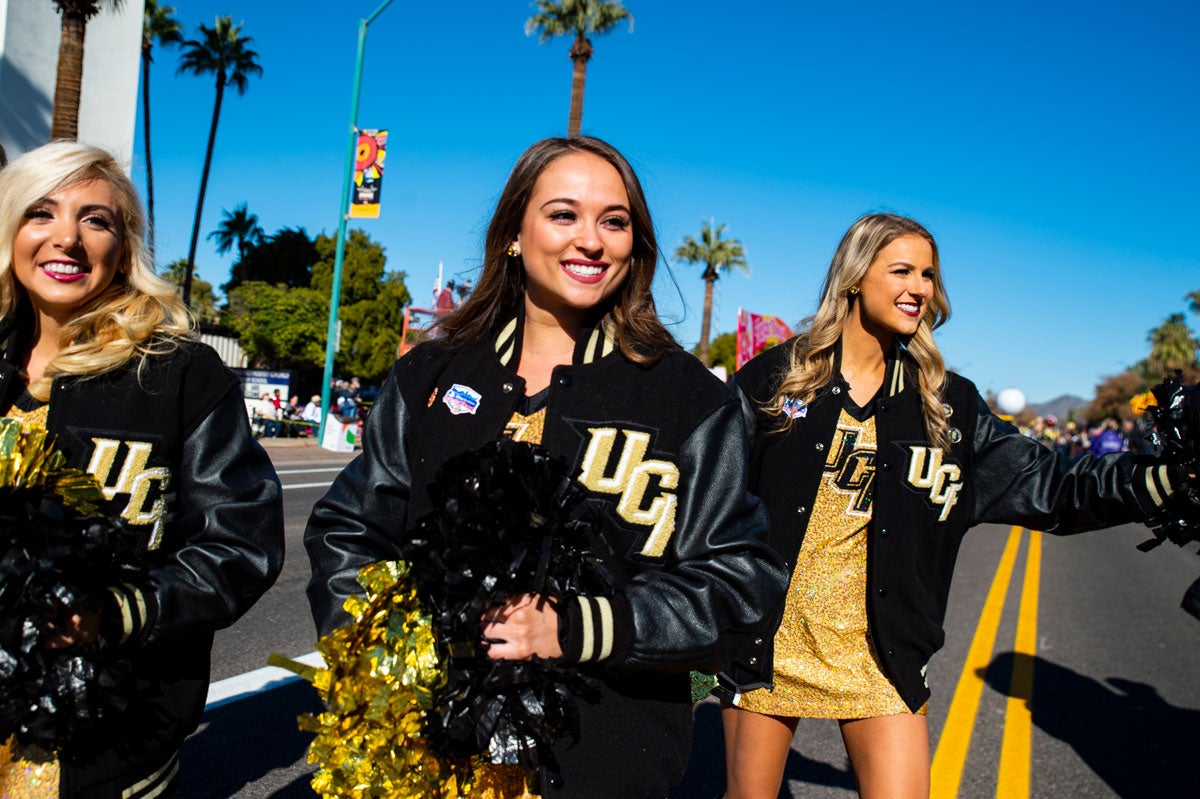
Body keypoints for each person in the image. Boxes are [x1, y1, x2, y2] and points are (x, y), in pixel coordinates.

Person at [304, 136, 788, 798]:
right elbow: (348, 530)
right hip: (427, 756)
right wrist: (386, 645)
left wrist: (576, 625)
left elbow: (740, 585)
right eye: (563, 214)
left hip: (604, 766)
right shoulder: (430, 376)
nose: (591, 240)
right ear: (512, 234)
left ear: (635, 246)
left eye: (614, 221)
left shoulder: (690, 400)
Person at [719, 212, 1190, 799]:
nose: (920, 287)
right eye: (902, 270)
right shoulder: (780, 378)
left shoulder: (947, 404)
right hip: (771, 640)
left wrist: (1166, 480)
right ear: (854, 276)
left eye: (928, 275)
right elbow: (707, 496)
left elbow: (1053, 485)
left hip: (881, 651)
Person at [0, 141, 284, 798]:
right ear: (13, 227)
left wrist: (118, 611)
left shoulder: (178, 373)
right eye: (41, 212)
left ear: (123, 246)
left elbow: (241, 542)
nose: (65, 239)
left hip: (109, 753)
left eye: (95, 220)